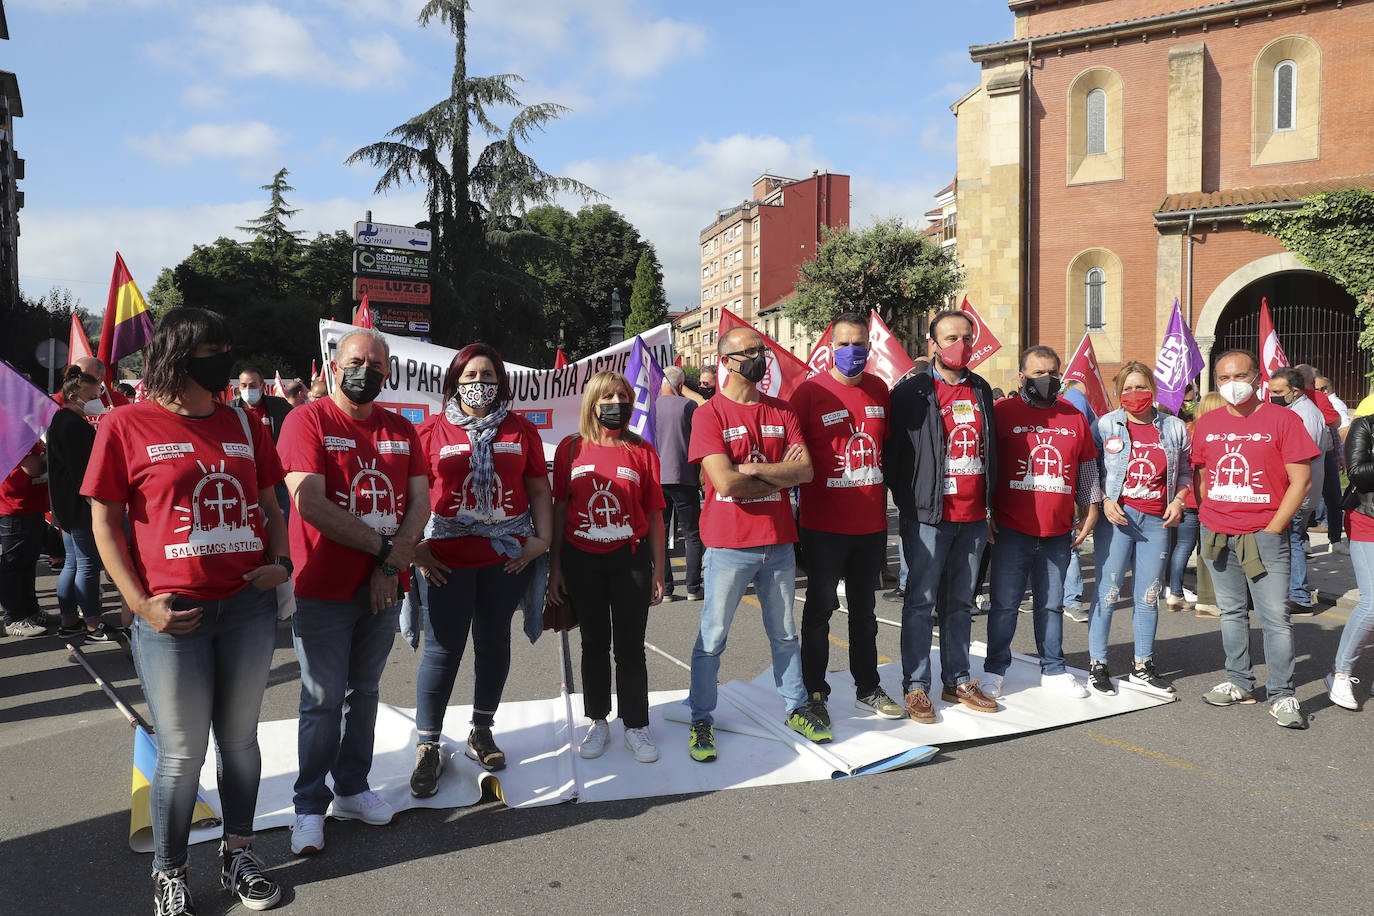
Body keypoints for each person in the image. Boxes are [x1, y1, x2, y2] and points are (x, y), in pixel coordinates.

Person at [84, 307, 289, 914]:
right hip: (173, 618)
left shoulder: (246, 423)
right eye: (213, 350)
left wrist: (281, 561)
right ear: (176, 354)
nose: (226, 360)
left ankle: (239, 853)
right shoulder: (124, 424)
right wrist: (138, 603)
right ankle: (169, 871)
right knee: (181, 753)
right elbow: (104, 523)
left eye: (229, 347)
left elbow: (271, 503)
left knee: (241, 741)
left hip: (247, 608)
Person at [277, 328, 429, 853]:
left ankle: (353, 787)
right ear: (335, 365)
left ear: (388, 372)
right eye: (356, 360)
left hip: (384, 589)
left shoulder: (400, 430)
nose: (367, 370)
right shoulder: (306, 420)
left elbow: (419, 502)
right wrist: (385, 552)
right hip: (322, 587)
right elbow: (310, 502)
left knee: (363, 693)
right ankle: (308, 805)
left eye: (377, 363)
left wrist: (391, 565)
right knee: (321, 700)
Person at [408, 343, 551, 795]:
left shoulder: (520, 429)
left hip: (505, 560)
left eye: (488, 376)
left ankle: (481, 730)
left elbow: (540, 492)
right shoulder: (430, 430)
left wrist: (540, 541)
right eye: (469, 376)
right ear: (454, 382)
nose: (479, 384)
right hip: (443, 560)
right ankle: (428, 746)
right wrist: (414, 550)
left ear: (501, 382)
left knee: (493, 644)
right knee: (442, 651)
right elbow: (411, 497)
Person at [686, 325, 819, 762]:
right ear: (725, 361)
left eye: (761, 349)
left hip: (779, 543)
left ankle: (796, 707)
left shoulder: (783, 412)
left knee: (784, 634)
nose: (760, 357)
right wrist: (776, 474)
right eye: (749, 352)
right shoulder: (710, 415)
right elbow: (723, 481)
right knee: (713, 637)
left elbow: (806, 473)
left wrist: (751, 472)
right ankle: (701, 717)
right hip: (727, 545)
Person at [885, 310, 999, 722]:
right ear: (932, 344)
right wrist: (912, 503)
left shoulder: (982, 389)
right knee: (920, 601)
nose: (961, 344)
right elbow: (893, 456)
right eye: (951, 337)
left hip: (972, 517)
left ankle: (958, 680)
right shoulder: (911, 392)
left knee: (960, 603)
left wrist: (989, 508)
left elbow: (991, 452)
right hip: (928, 517)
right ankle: (916, 686)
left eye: (967, 337)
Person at [1195, 350, 1317, 729]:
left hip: (1263, 535)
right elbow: (1203, 476)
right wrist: (1206, 514)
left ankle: (1282, 695)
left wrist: (1274, 527)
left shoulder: (1283, 419)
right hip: (1217, 532)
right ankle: (1239, 682)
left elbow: (1302, 480)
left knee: (1275, 618)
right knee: (1231, 613)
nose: (1232, 384)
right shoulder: (1207, 423)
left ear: (1256, 377)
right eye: (1223, 378)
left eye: (1240, 376)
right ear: (1216, 381)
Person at [792, 313, 903, 722]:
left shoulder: (878, 389)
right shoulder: (809, 393)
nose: (852, 351)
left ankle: (867, 686)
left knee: (865, 613)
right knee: (819, 611)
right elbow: (792, 456)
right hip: (822, 526)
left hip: (871, 525)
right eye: (844, 344)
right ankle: (814, 692)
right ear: (830, 348)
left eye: (859, 344)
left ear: (869, 348)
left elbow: (885, 449)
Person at [549, 371, 665, 763]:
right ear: (592, 403)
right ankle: (598, 720)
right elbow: (559, 509)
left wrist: (660, 570)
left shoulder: (642, 451)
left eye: (623, 395)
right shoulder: (570, 450)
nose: (617, 402)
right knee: (593, 643)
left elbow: (655, 513)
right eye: (608, 396)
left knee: (630, 647)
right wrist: (556, 568)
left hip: (629, 561)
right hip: (581, 560)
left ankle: (635, 724)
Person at [982, 346, 1101, 699]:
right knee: (1004, 604)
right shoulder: (1001, 412)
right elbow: (986, 465)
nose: (1046, 379)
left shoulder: (1073, 416)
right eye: (1037, 373)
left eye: (1052, 372)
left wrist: (1091, 506)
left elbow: (1086, 466)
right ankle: (994, 667)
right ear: (1021, 377)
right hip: (1011, 528)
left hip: (1056, 531)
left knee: (1051, 604)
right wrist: (985, 512)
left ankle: (1053, 668)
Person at [1086, 362, 1190, 695]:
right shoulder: (1105, 425)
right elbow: (1089, 468)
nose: (1134, 394)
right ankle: (1097, 664)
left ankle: (1142, 665)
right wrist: (1103, 499)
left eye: (1141, 387)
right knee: (1108, 593)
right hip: (1117, 519)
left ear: (1153, 390)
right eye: (1127, 388)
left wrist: (1180, 500)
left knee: (1148, 596)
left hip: (1157, 521)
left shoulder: (1174, 428)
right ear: (1118, 393)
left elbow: (1187, 471)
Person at [47, 366, 111, 641]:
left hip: (65, 504)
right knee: (87, 564)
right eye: (92, 393)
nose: (97, 397)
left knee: (73, 562)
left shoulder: (62, 420)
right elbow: (82, 472)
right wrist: (95, 502)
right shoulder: (72, 425)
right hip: (78, 505)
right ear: (74, 396)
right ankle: (93, 624)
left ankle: (69, 620)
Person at [1268, 367, 1330, 612]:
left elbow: (1299, 457)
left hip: (1298, 493)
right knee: (1292, 540)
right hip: (1298, 492)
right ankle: (1294, 593)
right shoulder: (1296, 411)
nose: (1272, 396)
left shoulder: (1304, 415)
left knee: (1292, 541)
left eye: (1277, 392)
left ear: (1294, 390)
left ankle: (1300, 596)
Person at [1328, 397, 1374, 709]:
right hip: (1368, 518)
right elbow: (1356, 473)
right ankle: (1339, 673)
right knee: (1372, 604)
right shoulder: (1365, 424)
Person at [1166, 391, 1225, 614]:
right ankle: (1207, 599)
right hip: (1207, 498)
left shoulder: (1188, 430)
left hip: (1185, 497)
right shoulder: (1217, 433)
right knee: (1207, 549)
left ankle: (1175, 593)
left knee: (1182, 547)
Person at [655, 366, 702, 600]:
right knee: (692, 533)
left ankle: (666, 589)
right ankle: (694, 588)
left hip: (656, 479)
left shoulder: (650, 408)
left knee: (660, 534)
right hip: (685, 477)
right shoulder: (689, 406)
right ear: (681, 385)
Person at [1059, 378, 1101, 623]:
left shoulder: (1074, 404)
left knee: (1070, 544)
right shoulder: (1075, 401)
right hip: (1058, 494)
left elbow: (1086, 461)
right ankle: (1065, 598)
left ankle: (1070, 599)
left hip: (1069, 492)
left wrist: (1091, 506)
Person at [1, 440, 49, 638]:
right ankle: (14, 618)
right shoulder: (15, 429)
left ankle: (30, 610)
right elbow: (33, 469)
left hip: (26, 505)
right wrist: (54, 450)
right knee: (14, 565)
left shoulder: (19, 426)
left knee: (27, 561)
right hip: (17, 507)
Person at [232, 367, 295, 519]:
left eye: (253, 385)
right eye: (244, 385)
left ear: (262, 386)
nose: (248, 389)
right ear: (238, 387)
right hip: (244, 481)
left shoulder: (279, 407)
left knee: (280, 523)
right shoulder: (229, 410)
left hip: (276, 481)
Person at [1297, 364, 1344, 555]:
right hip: (1313, 455)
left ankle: (1304, 540)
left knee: (1305, 499)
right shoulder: (1316, 397)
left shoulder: (1316, 397)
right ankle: (1333, 540)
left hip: (1316, 454)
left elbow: (1334, 425)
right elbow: (1335, 422)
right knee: (1329, 499)